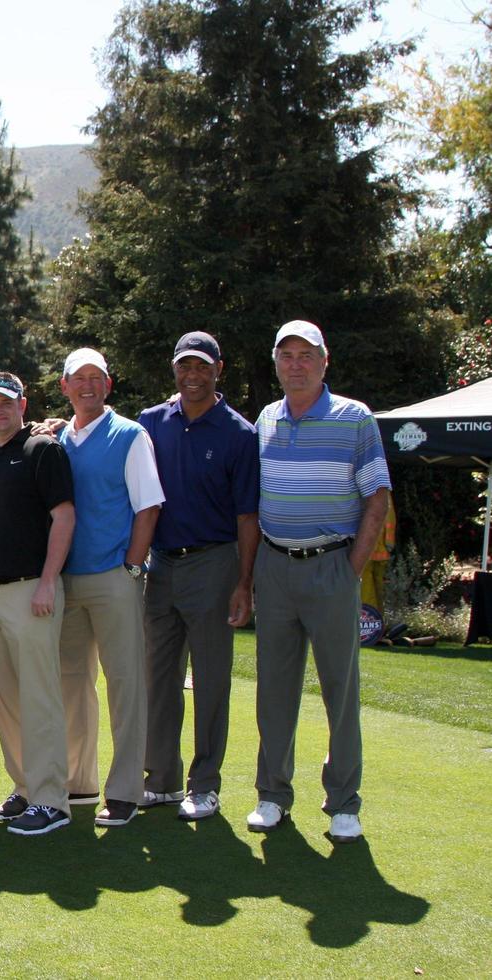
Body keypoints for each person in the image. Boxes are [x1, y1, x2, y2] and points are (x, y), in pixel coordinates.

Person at [249, 320, 390, 843]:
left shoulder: (355, 418)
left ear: (324, 361)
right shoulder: (266, 418)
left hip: (332, 565)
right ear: (277, 362)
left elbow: (376, 496)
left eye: (305, 355)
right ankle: (272, 795)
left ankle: (343, 802)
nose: (295, 364)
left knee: (340, 690)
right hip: (275, 566)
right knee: (275, 690)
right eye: (286, 355)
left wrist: (351, 566)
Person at [138, 332, 260, 822]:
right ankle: (161, 781)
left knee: (210, 680)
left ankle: (204, 784)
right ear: (174, 370)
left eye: (202, 367)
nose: (193, 376)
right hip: (160, 565)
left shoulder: (239, 433)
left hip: (213, 563)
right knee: (158, 678)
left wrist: (244, 582)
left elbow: (247, 518)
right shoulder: (151, 423)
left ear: (218, 370)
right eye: (185, 367)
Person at [57, 347, 164, 828]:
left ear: (108, 385)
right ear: (64, 387)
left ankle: (125, 791)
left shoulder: (130, 435)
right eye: (77, 379)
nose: (86, 386)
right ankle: (79, 781)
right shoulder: (59, 437)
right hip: (66, 580)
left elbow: (148, 507)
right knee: (72, 684)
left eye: (95, 378)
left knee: (124, 684)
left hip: (113, 577)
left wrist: (132, 567)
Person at [0, 372, 76, 836]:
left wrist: (49, 582)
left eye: (5, 403)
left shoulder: (44, 450)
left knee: (39, 698)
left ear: (23, 405)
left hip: (34, 589)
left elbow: (63, 516)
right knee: (7, 700)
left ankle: (52, 799)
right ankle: (26, 787)